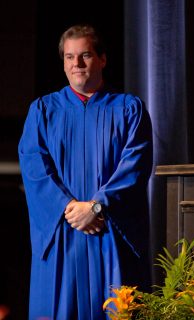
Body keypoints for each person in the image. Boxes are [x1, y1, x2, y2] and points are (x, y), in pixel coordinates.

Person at [18, 24, 153, 319]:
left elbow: (136, 164)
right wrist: (70, 208)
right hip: (62, 232)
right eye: (69, 57)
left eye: (85, 55)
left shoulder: (129, 109)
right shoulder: (42, 111)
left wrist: (97, 206)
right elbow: (33, 166)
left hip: (110, 232)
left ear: (103, 59)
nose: (76, 64)